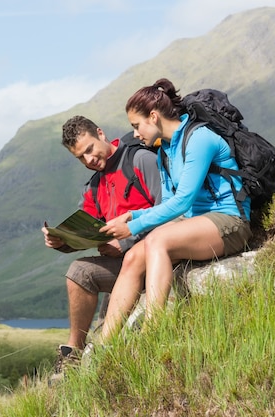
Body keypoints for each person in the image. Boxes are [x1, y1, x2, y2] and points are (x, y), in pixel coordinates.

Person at [99, 78, 253, 340]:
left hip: (229, 221)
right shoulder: (165, 151)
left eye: (137, 126)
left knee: (157, 239)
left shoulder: (200, 139)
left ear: (154, 117)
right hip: (196, 222)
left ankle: (152, 332)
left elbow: (183, 201)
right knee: (134, 257)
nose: (135, 134)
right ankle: (104, 345)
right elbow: (170, 204)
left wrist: (133, 227)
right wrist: (134, 215)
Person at [42, 115, 161, 377]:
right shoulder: (94, 186)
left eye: (89, 150)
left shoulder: (141, 160)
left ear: (100, 133)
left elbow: (172, 211)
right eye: (80, 158)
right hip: (123, 266)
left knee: (84, 271)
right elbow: (85, 232)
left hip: (157, 259)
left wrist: (127, 240)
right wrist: (61, 241)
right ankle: (73, 354)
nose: (88, 160)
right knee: (78, 272)